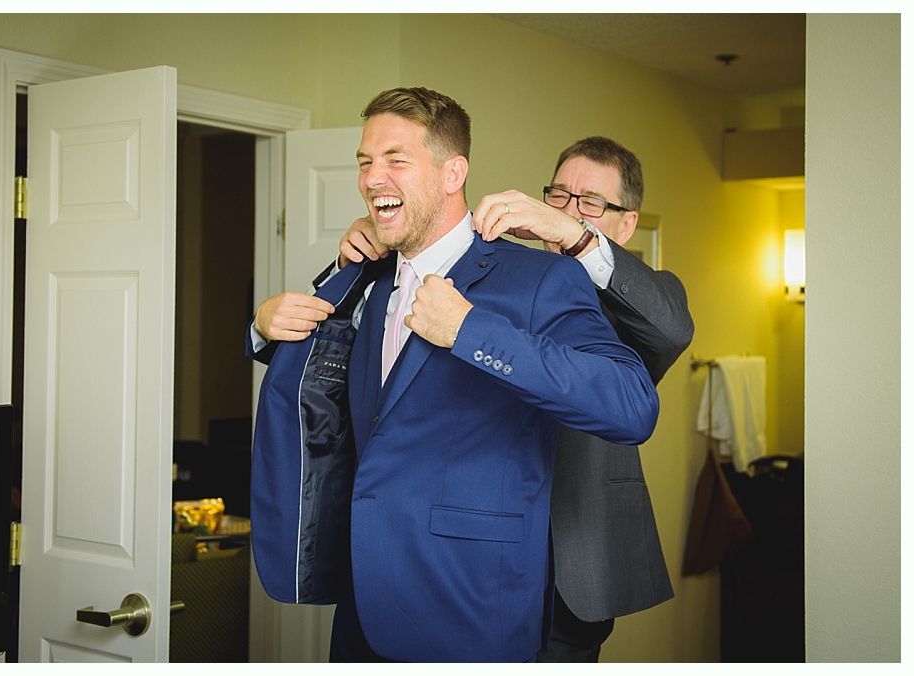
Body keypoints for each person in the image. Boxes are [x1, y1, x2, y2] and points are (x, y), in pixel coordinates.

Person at [249, 88, 659, 662]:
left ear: (452, 173)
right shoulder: (365, 276)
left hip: (470, 609)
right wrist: (264, 328)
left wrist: (471, 333)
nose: (372, 178)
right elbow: (327, 379)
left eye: (396, 159)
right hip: (361, 604)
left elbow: (631, 404)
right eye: (366, 162)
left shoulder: (539, 279)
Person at [341, 136, 694, 661]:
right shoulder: (510, 280)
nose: (569, 211)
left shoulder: (641, 295)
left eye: (591, 203)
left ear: (626, 223)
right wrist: (376, 246)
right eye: (559, 197)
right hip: (476, 556)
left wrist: (576, 238)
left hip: (578, 550)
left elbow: (670, 331)